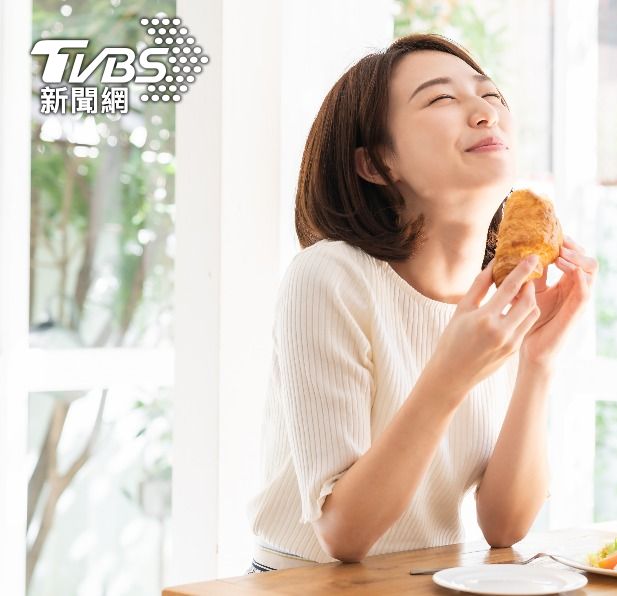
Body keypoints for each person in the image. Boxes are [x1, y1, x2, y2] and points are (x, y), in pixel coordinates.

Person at [245, 33, 597, 573]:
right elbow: (342, 532)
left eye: (491, 95)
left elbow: (504, 527)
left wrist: (537, 361)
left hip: (434, 582)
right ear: (377, 164)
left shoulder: (497, 299)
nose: (485, 113)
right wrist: (450, 374)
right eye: (442, 99)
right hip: (305, 585)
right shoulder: (330, 276)